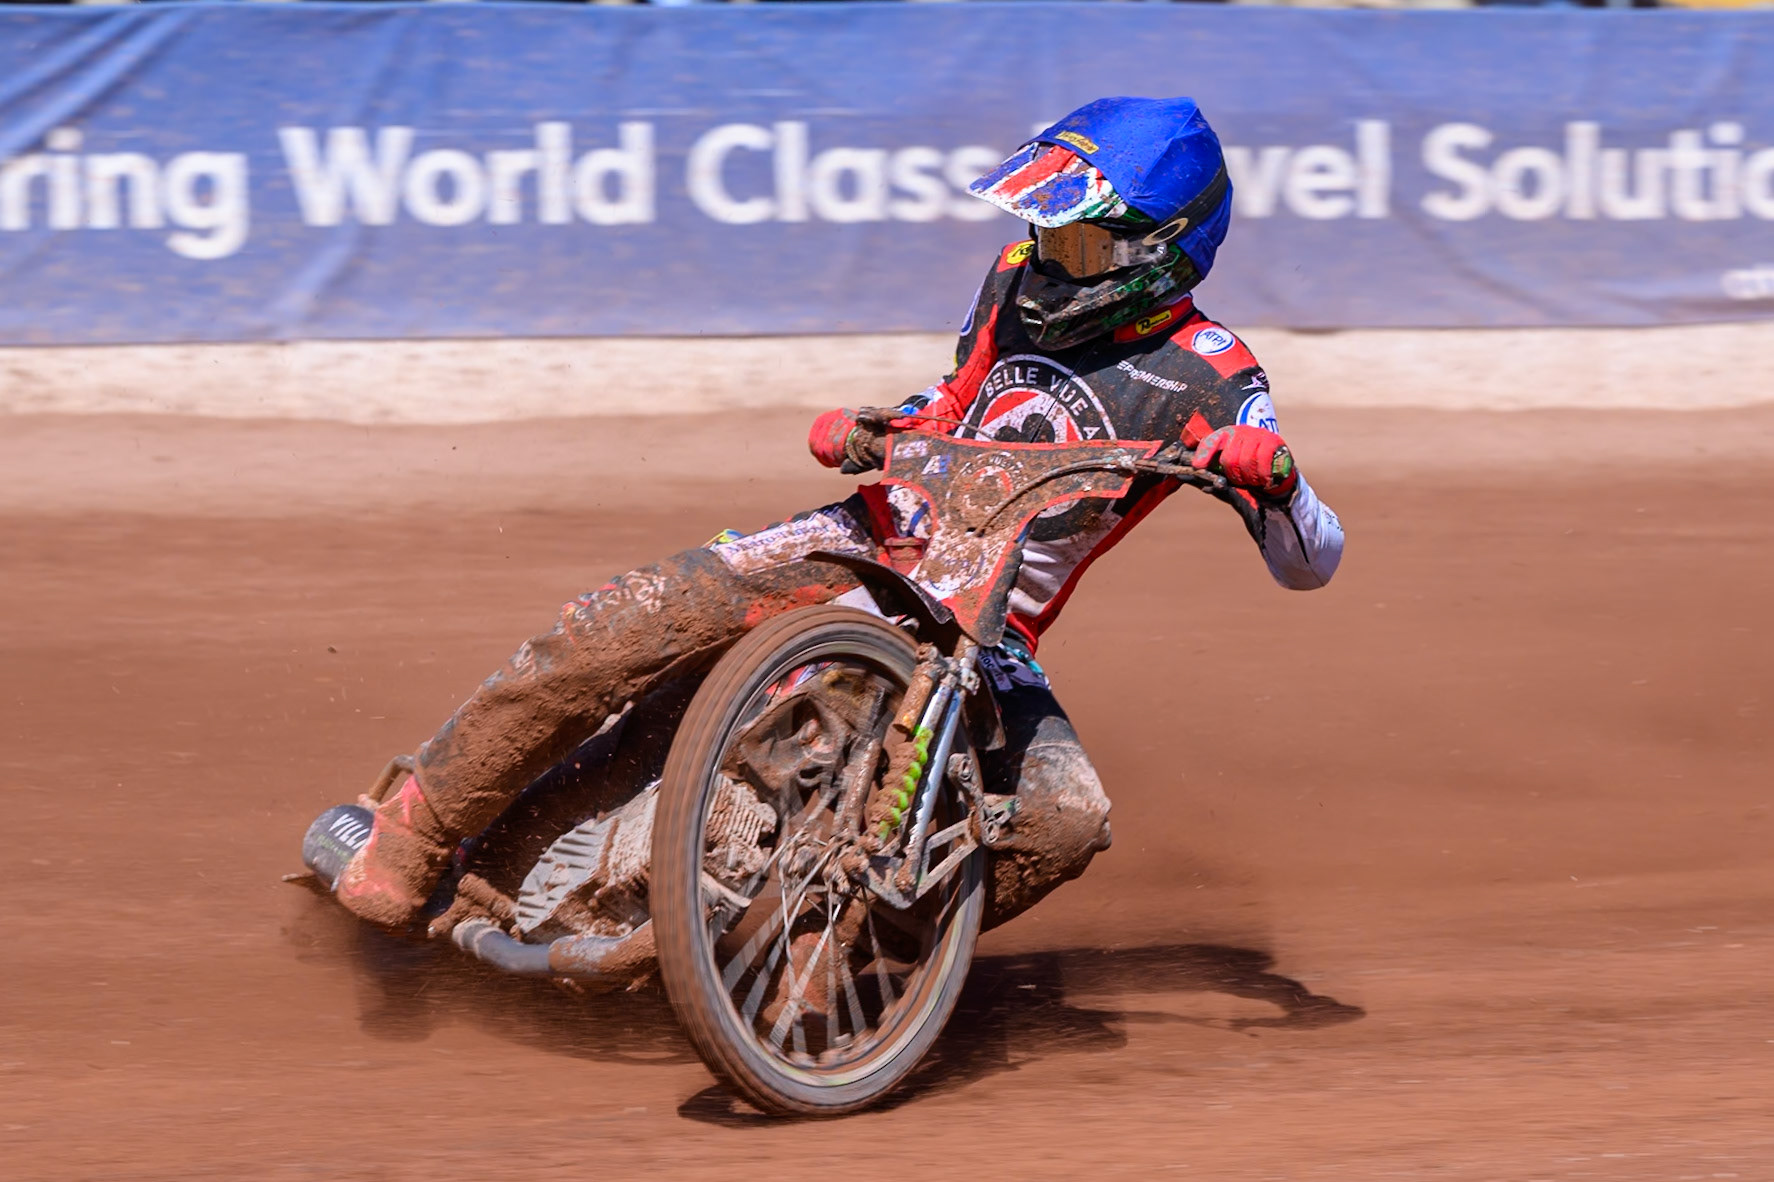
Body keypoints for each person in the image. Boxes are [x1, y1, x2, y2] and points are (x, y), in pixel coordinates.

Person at [333, 95, 1344, 935]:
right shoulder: (1010, 278)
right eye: (1045, 228)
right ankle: (417, 823)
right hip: (863, 543)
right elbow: (953, 404)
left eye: (1077, 240)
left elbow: (1312, 566)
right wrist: (882, 427)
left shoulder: (1215, 376)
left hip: (986, 635)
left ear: (1159, 251)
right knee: (633, 615)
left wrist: (1278, 480)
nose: (1047, 252)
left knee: (1061, 821)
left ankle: (845, 961)